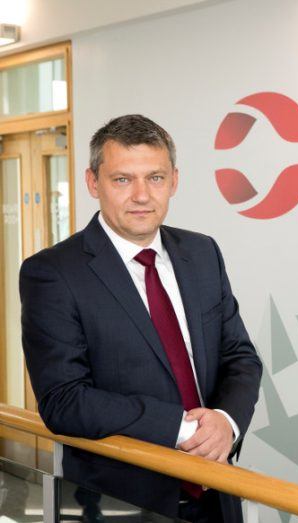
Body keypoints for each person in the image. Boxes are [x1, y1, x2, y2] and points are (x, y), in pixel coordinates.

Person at [20, 114, 263, 522]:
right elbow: (64, 400)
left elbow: (240, 357)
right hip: (121, 505)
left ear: (174, 181)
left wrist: (225, 422)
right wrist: (181, 429)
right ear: (93, 182)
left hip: (217, 495)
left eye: (155, 178)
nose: (141, 195)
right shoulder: (54, 272)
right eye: (122, 180)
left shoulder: (203, 254)